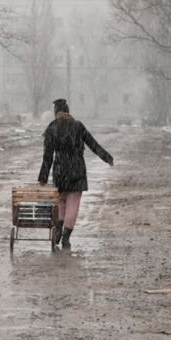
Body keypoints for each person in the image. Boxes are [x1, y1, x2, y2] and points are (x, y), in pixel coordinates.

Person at [38, 98, 114, 250]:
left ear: (56, 113)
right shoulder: (78, 126)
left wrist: (43, 177)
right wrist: (107, 158)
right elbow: (93, 144)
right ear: (68, 111)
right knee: (73, 205)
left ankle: (59, 227)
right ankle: (66, 237)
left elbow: (47, 156)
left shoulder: (52, 127)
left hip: (60, 172)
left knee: (60, 201)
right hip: (77, 171)